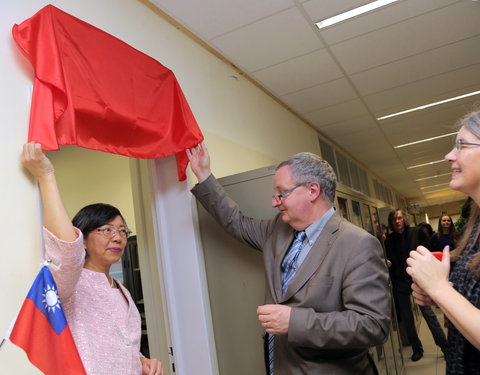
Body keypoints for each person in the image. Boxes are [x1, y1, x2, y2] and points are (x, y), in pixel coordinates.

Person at [187, 143, 391, 375]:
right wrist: (204, 175)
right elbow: (237, 223)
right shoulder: (278, 230)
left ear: (312, 191)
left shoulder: (357, 244)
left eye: (281, 193)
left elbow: (372, 325)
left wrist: (295, 322)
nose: (274, 202)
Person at [21, 142, 163, 375]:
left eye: (122, 231)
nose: (117, 238)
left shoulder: (121, 289)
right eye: (106, 230)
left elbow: (118, 344)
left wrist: (141, 361)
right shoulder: (70, 283)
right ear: (83, 239)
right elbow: (67, 250)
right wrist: (46, 176)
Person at [407, 110, 480, 374]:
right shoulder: (475, 228)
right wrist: (439, 292)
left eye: (461, 145)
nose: (449, 155)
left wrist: (440, 289)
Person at [385, 209, 447, 361]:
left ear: (404, 219)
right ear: (391, 222)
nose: (397, 221)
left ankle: (445, 347)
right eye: (394, 219)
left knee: (429, 314)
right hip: (400, 283)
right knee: (407, 318)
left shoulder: (416, 232)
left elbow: (427, 252)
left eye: (399, 218)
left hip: (418, 279)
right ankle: (416, 349)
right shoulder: (389, 239)